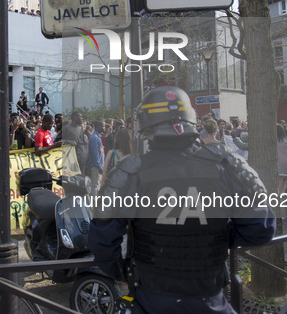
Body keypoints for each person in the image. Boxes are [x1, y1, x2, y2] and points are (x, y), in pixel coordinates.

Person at [89, 86, 275, 314]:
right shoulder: (226, 165)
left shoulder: (129, 173)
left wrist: (120, 272)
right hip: (211, 298)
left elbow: (102, 239)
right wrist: (216, 237)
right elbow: (261, 229)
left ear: (146, 125)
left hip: (151, 297)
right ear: (191, 119)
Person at [86, 120, 105, 196]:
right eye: (102, 126)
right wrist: (99, 167)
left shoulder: (98, 137)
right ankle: (94, 204)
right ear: (97, 127)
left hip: (99, 166)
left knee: (98, 186)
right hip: (96, 167)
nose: (104, 128)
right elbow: (94, 154)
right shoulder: (94, 138)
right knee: (95, 186)